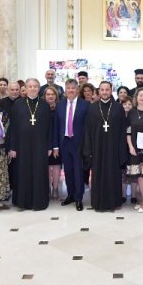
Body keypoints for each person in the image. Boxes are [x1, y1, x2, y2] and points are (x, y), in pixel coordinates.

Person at [8, 78, 56, 211]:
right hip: (22, 146)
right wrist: (12, 147)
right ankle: (22, 201)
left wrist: (49, 146)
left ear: (39, 88)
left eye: (35, 86)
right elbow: (13, 127)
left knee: (39, 172)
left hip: (40, 145)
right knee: (23, 172)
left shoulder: (44, 105)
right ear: (26, 88)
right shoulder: (18, 104)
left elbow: (49, 128)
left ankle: (39, 202)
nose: (33, 89)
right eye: (30, 86)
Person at [82, 81, 129, 211]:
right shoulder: (92, 108)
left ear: (111, 90)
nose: (104, 92)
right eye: (102, 90)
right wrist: (88, 149)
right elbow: (87, 130)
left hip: (113, 147)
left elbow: (122, 130)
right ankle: (98, 202)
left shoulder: (118, 108)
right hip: (97, 148)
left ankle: (114, 202)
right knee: (98, 175)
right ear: (99, 91)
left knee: (113, 174)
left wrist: (121, 150)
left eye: (107, 90)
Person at [56, 80, 89, 210]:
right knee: (68, 171)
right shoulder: (60, 105)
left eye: (73, 88)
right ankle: (70, 195)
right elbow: (56, 126)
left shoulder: (85, 105)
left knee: (78, 171)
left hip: (78, 143)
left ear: (77, 90)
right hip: (65, 142)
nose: (70, 90)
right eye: (68, 88)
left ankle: (79, 198)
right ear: (65, 90)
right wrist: (55, 146)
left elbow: (88, 127)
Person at [43, 84, 63, 200]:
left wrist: (56, 145)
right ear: (44, 96)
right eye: (48, 94)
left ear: (56, 96)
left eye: (52, 94)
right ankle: (47, 189)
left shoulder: (60, 108)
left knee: (56, 166)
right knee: (45, 166)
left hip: (57, 142)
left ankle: (55, 188)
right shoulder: (40, 108)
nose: (50, 96)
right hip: (44, 142)